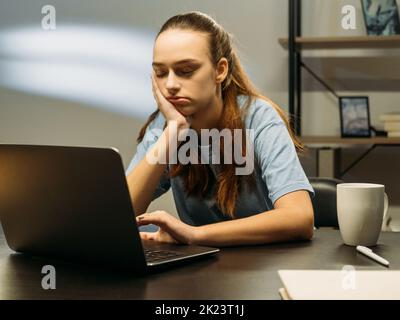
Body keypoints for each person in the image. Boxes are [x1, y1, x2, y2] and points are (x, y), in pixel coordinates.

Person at [126, 11, 314, 247]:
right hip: (202, 273)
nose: (170, 85)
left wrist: (194, 235)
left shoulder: (258, 118)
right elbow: (118, 216)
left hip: (265, 267)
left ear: (220, 70)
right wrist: (173, 131)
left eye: (186, 71)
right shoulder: (163, 127)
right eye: (161, 73)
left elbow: (300, 218)